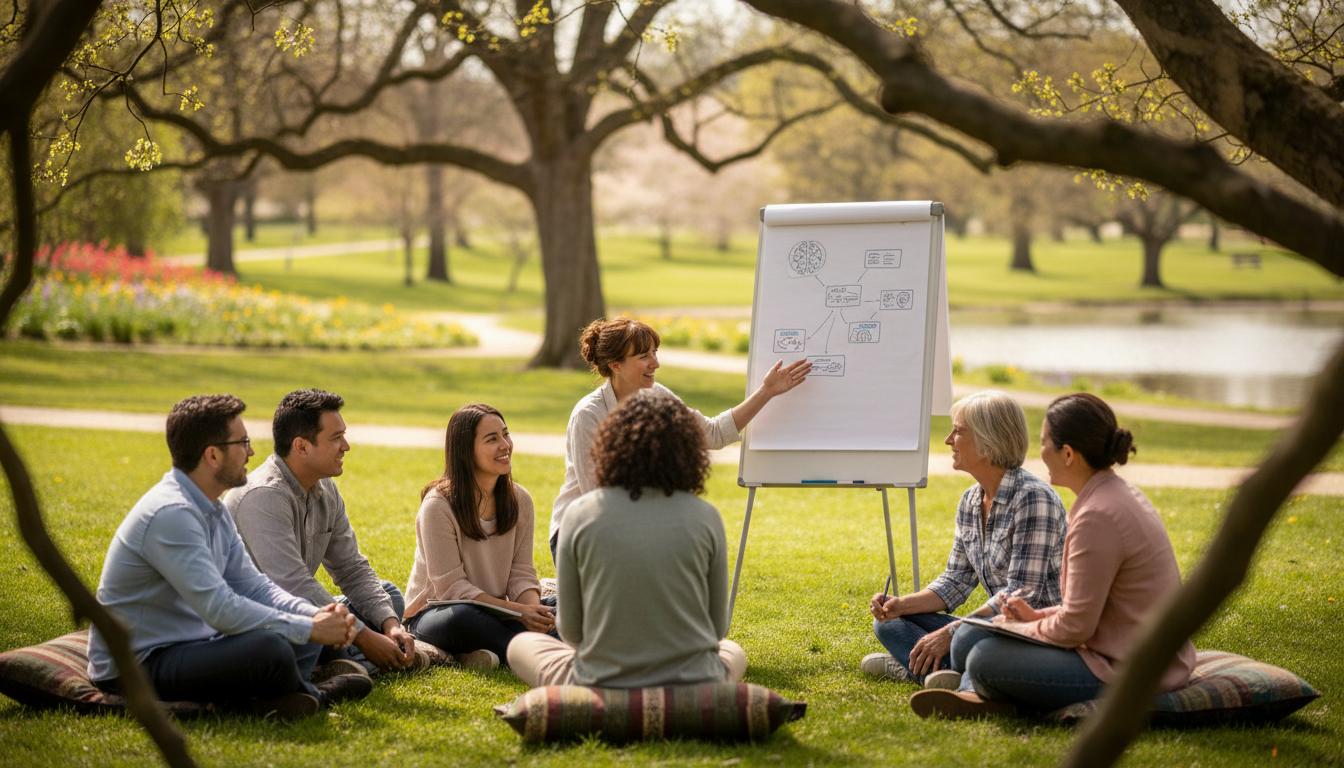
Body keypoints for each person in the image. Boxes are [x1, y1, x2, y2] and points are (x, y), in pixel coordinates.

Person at [911, 392, 1197, 719]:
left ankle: (974, 690)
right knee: (967, 642)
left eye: (1045, 441)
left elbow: (1075, 627)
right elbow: (1083, 609)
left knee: (979, 655)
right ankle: (973, 685)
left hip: (1130, 668)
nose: (1040, 450)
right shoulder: (1108, 497)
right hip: (1115, 651)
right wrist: (1033, 619)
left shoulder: (1097, 515)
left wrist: (1018, 628)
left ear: (1068, 454)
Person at [87, 394, 372, 720]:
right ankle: (311, 695)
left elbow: (255, 586)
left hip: (192, 643)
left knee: (296, 632)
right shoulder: (172, 514)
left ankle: (285, 695)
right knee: (271, 648)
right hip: (139, 662)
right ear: (212, 455)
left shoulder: (211, 507)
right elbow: (220, 608)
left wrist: (312, 616)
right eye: (243, 443)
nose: (251, 452)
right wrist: (307, 628)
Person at [509, 388, 747, 688]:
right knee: (732, 651)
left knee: (521, 646)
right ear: (687, 451)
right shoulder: (705, 516)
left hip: (600, 678)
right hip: (692, 677)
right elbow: (717, 628)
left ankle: (607, 697)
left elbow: (570, 631)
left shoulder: (579, 514)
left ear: (610, 443)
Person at [549, 317, 811, 560]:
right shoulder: (588, 414)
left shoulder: (657, 395)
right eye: (644, 356)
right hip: (582, 532)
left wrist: (766, 391)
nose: (655, 363)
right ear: (615, 365)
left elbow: (713, 434)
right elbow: (598, 498)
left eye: (655, 353)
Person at [862, 390, 1066, 685]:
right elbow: (955, 581)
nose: (948, 440)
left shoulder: (1033, 499)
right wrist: (901, 604)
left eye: (957, 431)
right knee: (889, 625)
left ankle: (931, 671)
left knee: (968, 638)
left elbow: (1022, 593)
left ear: (987, 441)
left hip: (1034, 632)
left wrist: (952, 631)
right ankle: (953, 674)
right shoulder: (970, 500)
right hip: (995, 626)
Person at [226, 388, 435, 675]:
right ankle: (350, 663)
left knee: (388, 597)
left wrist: (391, 624)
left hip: (302, 611)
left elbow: (351, 568)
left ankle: (347, 662)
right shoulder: (264, 496)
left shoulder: (325, 487)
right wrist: (363, 635)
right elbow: (291, 585)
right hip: (260, 619)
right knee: (301, 636)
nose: (346, 446)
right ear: (301, 447)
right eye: (336, 438)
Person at [402, 404, 554, 670]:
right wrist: (520, 613)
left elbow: (521, 573)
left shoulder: (520, 500)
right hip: (439, 612)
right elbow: (452, 589)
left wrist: (534, 611)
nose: (505, 445)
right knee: (463, 619)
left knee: (564, 606)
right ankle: (544, 654)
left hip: (498, 610)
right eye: (492, 439)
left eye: (505, 434)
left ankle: (496, 651)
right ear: (465, 450)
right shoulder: (438, 506)